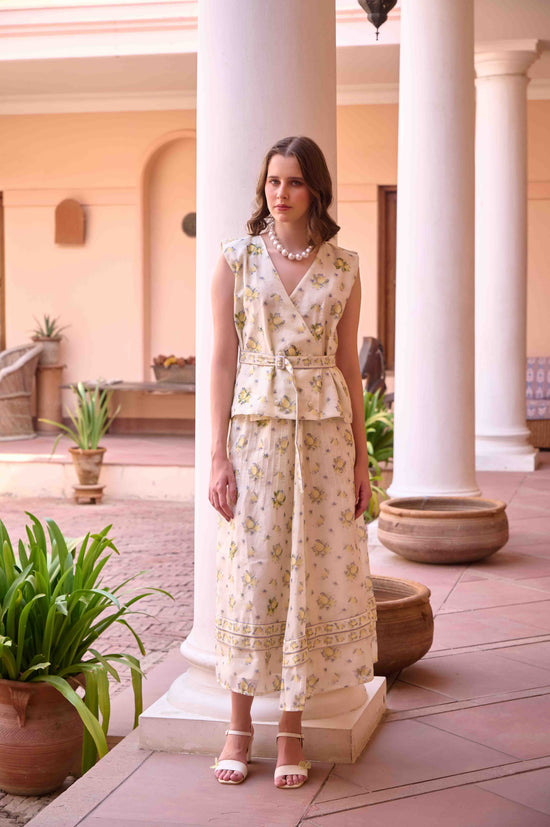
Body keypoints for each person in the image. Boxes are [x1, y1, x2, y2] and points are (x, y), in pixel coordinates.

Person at [208, 135, 378, 790]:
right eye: (273, 181)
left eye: (295, 182)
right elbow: (222, 359)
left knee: (311, 575)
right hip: (256, 437)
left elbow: (347, 364)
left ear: (316, 191)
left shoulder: (345, 267)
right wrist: (217, 454)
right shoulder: (236, 259)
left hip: (325, 440)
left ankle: (290, 731)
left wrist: (362, 458)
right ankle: (237, 728)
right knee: (252, 575)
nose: (281, 193)